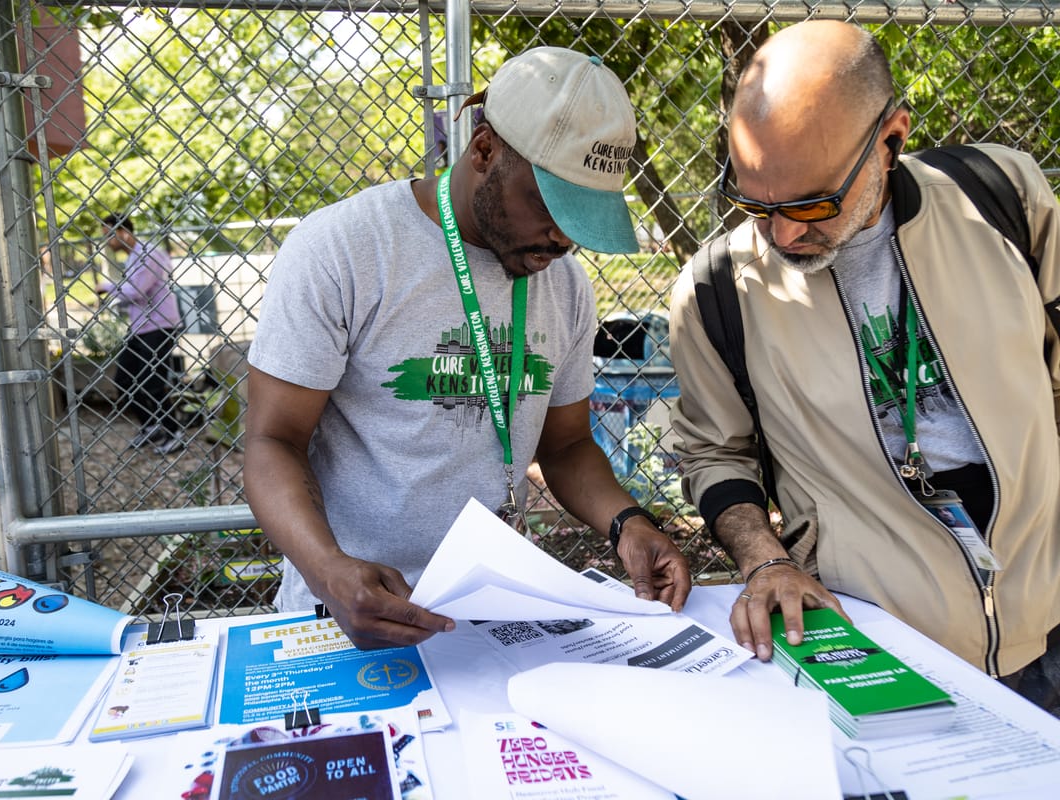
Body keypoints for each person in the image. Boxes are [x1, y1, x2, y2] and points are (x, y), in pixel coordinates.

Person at [668, 20, 1060, 712]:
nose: (785, 235)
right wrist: (766, 559)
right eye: (757, 205)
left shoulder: (1004, 198)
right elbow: (713, 453)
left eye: (812, 203)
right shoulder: (717, 290)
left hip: (1047, 618)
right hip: (876, 642)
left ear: (892, 139)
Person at [244, 46, 692, 649]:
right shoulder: (343, 249)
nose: (563, 239)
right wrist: (328, 570)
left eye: (583, 220)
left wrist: (629, 522)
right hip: (350, 612)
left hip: (494, 613)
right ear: (484, 150)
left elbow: (567, 445)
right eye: (553, 207)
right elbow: (273, 442)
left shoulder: (563, 283)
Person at [98, 213, 184, 455]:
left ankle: (173, 431)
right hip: (141, 327)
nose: (108, 242)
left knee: (151, 380)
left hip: (159, 326)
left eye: (109, 236)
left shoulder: (147, 254)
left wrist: (106, 287)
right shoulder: (134, 256)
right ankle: (151, 425)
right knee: (125, 379)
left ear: (123, 232)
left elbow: (136, 291)